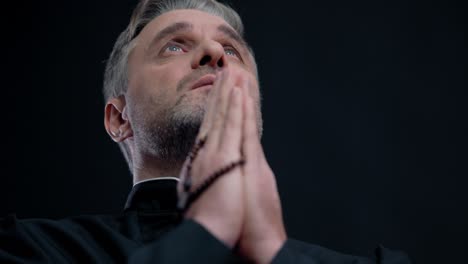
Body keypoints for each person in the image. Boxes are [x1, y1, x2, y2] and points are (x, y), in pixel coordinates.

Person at [1, 0, 412, 263]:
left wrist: (274, 253)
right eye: (174, 46)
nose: (214, 53)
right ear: (118, 118)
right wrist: (209, 229)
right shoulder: (30, 250)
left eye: (231, 50)